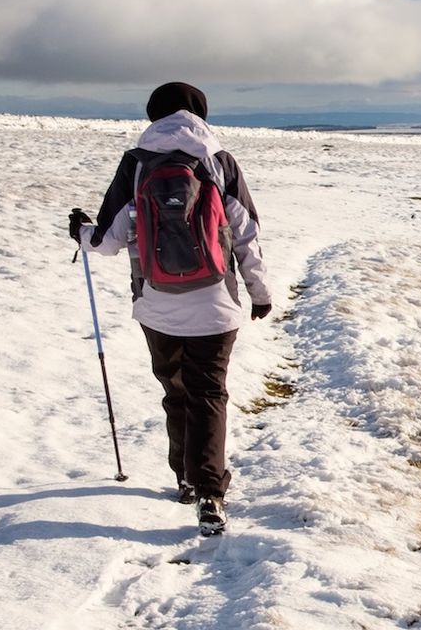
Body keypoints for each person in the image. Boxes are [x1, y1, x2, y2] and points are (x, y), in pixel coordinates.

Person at [66, 82, 272, 534]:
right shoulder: (219, 161)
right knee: (208, 394)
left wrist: (81, 232)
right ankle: (210, 493)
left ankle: (184, 478)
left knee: (176, 391)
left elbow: (107, 240)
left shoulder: (137, 163)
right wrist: (260, 293)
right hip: (216, 305)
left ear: (153, 114)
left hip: (156, 305)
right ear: (201, 112)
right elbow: (246, 234)